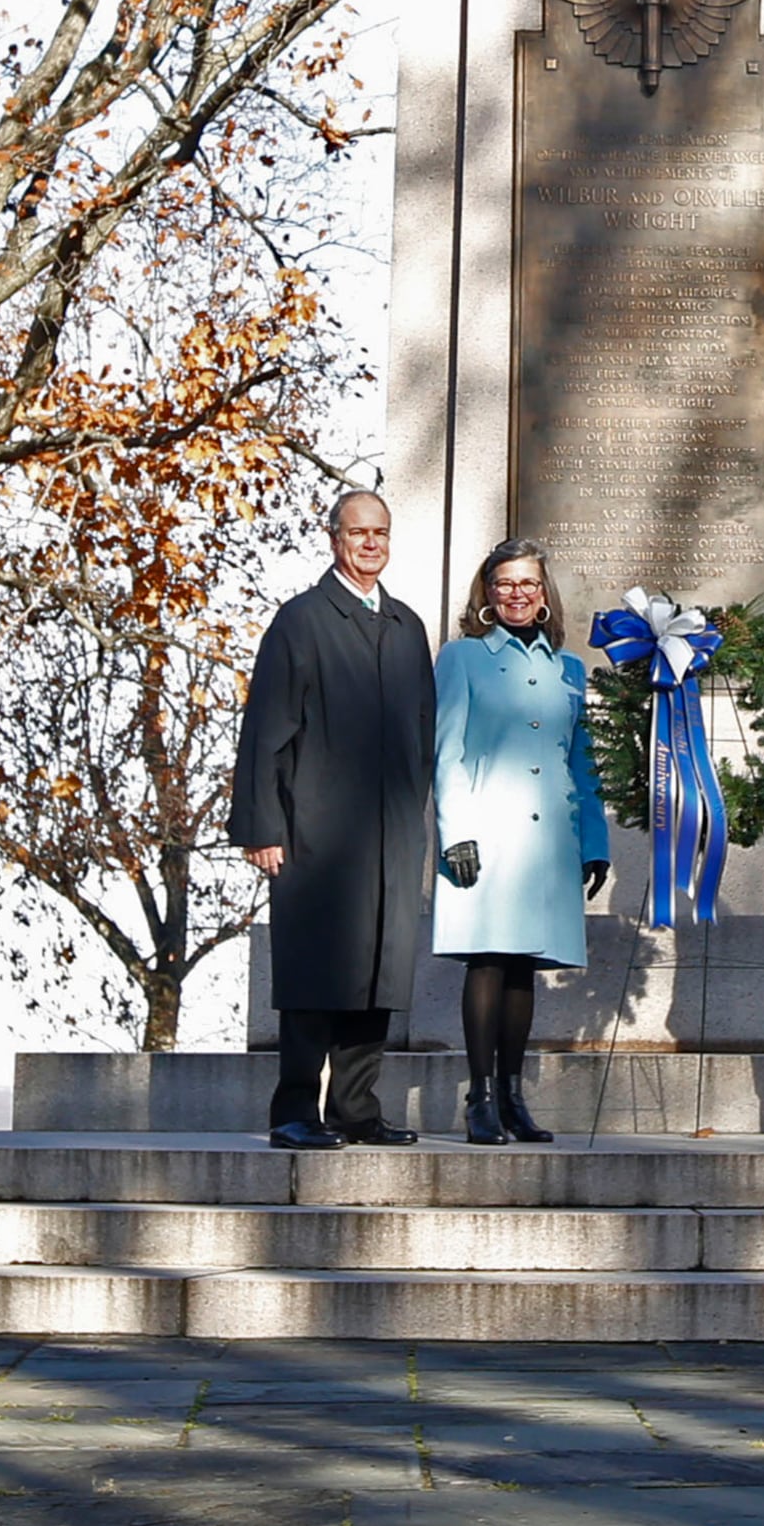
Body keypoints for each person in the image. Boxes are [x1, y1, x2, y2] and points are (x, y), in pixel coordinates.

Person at [229, 490, 434, 1151]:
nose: (370, 543)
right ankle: (294, 1109)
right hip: (314, 831)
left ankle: (355, 1107)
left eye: (380, 531)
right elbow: (265, 731)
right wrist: (262, 825)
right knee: (316, 970)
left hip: (389, 835)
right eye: (357, 532)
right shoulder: (302, 621)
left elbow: (422, 732)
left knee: (377, 969)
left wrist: (412, 815)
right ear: (334, 539)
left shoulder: (407, 627)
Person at [432, 538, 610, 1145]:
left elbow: (580, 759)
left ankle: (512, 1095)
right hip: (486, 831)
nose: (517, 593)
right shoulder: (462, 658)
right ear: (488, 592)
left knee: (525, 967)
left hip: (548, 841)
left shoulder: (569, 669)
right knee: (488, 958)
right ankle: (479, 1096)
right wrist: (455, 832)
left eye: (528, 584)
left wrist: (595, 839)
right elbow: (448, 753)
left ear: (543, 594)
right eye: (505, 582)